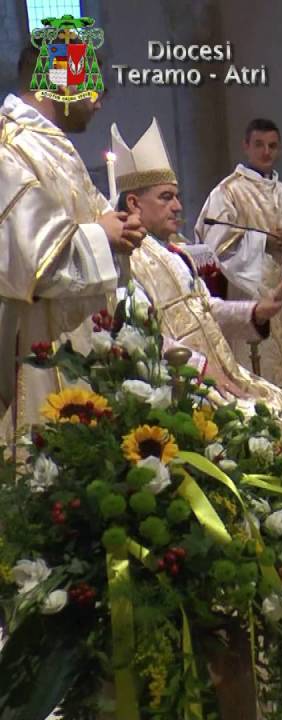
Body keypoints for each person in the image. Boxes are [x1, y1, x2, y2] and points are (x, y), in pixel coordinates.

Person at [108, 119, 282, 442]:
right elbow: (137, 338)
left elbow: (207, 309)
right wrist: (202, 369)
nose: (178, 206)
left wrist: (256, 312)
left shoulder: (177, 255)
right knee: (265, 423)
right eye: (166, 197)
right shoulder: (123, 262)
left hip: (211, 372)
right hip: (177, 383)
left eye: (176, 196)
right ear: (133, 203)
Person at [0, 45, 145, 439]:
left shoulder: (50, 144)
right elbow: (27, 262)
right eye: (92, 86)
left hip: (73, 343)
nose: (99, 102)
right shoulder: (11, 145)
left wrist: (118, 232)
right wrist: (103, 236)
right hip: (36, 349)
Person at [195, 118, 282, 407]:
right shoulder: (228, 192)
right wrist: (263, 242)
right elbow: (213, 245)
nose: (266, 152)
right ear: (246, 146)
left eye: (272, 146)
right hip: (249, 298)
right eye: (259, 145)